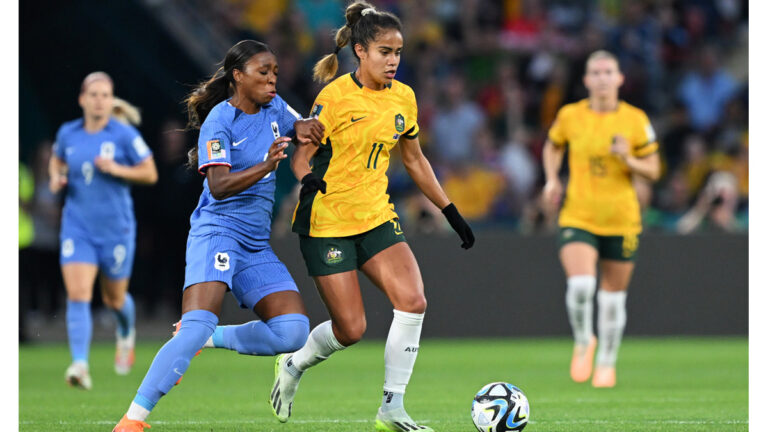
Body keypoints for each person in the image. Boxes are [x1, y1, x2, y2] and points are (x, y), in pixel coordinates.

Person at [269, 3, 474, 432]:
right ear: (360, 51)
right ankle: (293, 364)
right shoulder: (334, 97)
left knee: (413, 301)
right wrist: (306, 180)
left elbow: (415, 161)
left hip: (376, 217)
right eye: (385, 51)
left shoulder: (404, 97)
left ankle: (392, 409)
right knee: (351, 329)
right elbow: (302, 154)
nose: (394, 60)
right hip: (327, 221)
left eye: (398, 51)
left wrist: (449, 210)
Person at [112, 40, 324, 432]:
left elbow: (296, 123)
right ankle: (132, 421)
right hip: (219, 232)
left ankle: (208, 339)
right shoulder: (219, 123)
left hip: (255, 244)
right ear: (238, 77)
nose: (272, 79)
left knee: (292, 331)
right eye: (263, 73)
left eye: (275, 72)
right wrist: (265, 166)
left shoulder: (275, 105)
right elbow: (221, 184)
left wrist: (310, 126)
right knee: (195, 324)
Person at [541, 50, 661, 388]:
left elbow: (653, 170)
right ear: (587, 80)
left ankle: (607, 361)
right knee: (581, 285)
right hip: (578, 214)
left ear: (620, 78)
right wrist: (552, 178)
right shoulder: (570, 115)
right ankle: (584, 340)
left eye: (609, 71)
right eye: (596, 72)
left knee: (612, 298)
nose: (603, 78)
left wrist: (629, 159)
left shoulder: (635, 120)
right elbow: (552, 146)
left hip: (622, 218)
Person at [48, 72, 158, 390]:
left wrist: (117, 169)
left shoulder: (122, 135)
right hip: (77, 227)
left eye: (106, 95)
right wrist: (56, 177)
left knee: (114, 299)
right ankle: (80, 365)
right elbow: (56, 161)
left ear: (112, 101)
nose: (100, 100)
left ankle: (126, 331)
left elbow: (150, 173)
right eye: (94, 94)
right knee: (79, 294)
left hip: (116, 229)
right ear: (82, 99)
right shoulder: (68, 133)